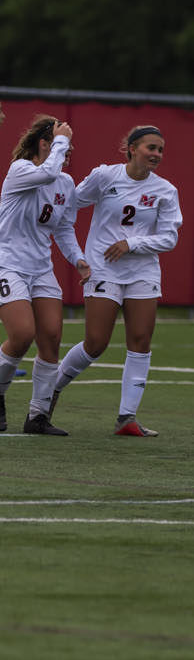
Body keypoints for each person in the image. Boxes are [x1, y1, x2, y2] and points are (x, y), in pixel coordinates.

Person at [47, 126, 182, 436]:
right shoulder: (105, 176)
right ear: (132, 149)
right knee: (96, 342)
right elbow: (70, 204)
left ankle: (127, 418)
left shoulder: (165, 190)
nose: (157, 155)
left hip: (143, 272)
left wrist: (131, 244)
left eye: (160, 150)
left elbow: (169, 238)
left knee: (140, 341)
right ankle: (50, 390)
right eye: (151, 148)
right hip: (104, 269)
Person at [0, 116, 83, 433]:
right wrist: (60, 138)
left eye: (69, 144)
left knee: (50, 337)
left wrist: (79, 259)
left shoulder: (65, 183)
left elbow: (63, 228)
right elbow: (47, 172)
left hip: (41, 269)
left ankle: (38, 417)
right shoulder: (21, 170)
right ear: (44, 143)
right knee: (21, 335)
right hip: (8, 263)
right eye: (61, 142)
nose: (67, 149)